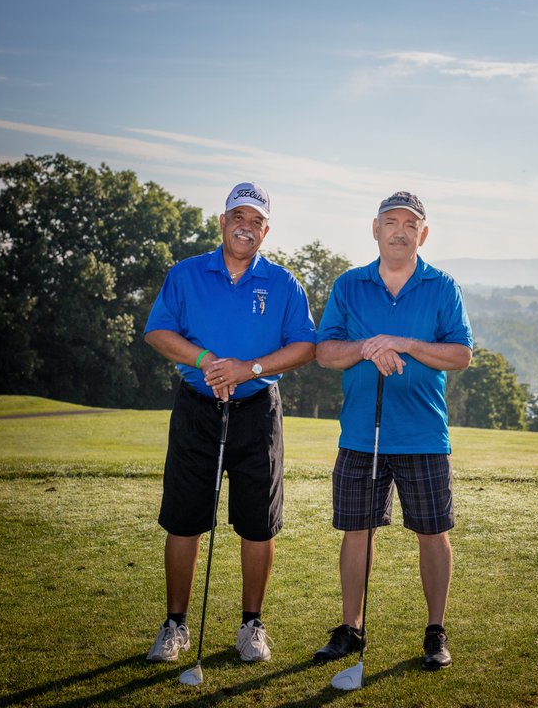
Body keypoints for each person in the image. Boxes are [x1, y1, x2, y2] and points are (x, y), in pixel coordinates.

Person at [142, 182, 316, 665]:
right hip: (197, 409)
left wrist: (249, 368)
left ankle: (251, 625)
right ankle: (175, 624)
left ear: (266, 230)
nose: (247, 226)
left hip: (257, 412)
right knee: (183, 519)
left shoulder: (284, 283)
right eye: (238, 216)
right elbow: (157, 329)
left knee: (258, 525)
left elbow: (305, 346)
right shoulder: (186, 274)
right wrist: (207, 360)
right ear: (222, 221)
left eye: (257, 220)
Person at [311, 190, 473, 671]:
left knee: (433, 533)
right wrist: (368, 347)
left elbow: (461, 355)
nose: (400, 231)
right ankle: (351, 628)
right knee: (357, 531)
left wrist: (401, 342)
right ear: (375, 229)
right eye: (391, 222)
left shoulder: (442, 287)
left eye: (410, 224)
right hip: (362, 434)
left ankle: (435, 631)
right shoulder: (349, 284)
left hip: (424, 435)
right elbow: (325, 352)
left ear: (423, 234)